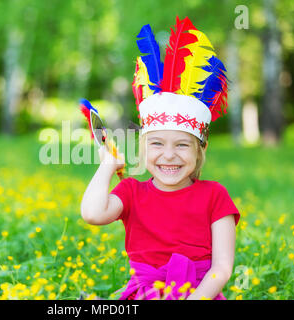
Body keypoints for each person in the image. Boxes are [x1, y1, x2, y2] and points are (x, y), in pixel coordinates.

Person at [80, 16, 240, 300]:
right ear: (144, 149)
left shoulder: (215, 196)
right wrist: (107, 165)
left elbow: (222, 268)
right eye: (157, 144)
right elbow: (92, 213)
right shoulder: (131, 192)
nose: (169, 155)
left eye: (181, 145)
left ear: (199, 151)